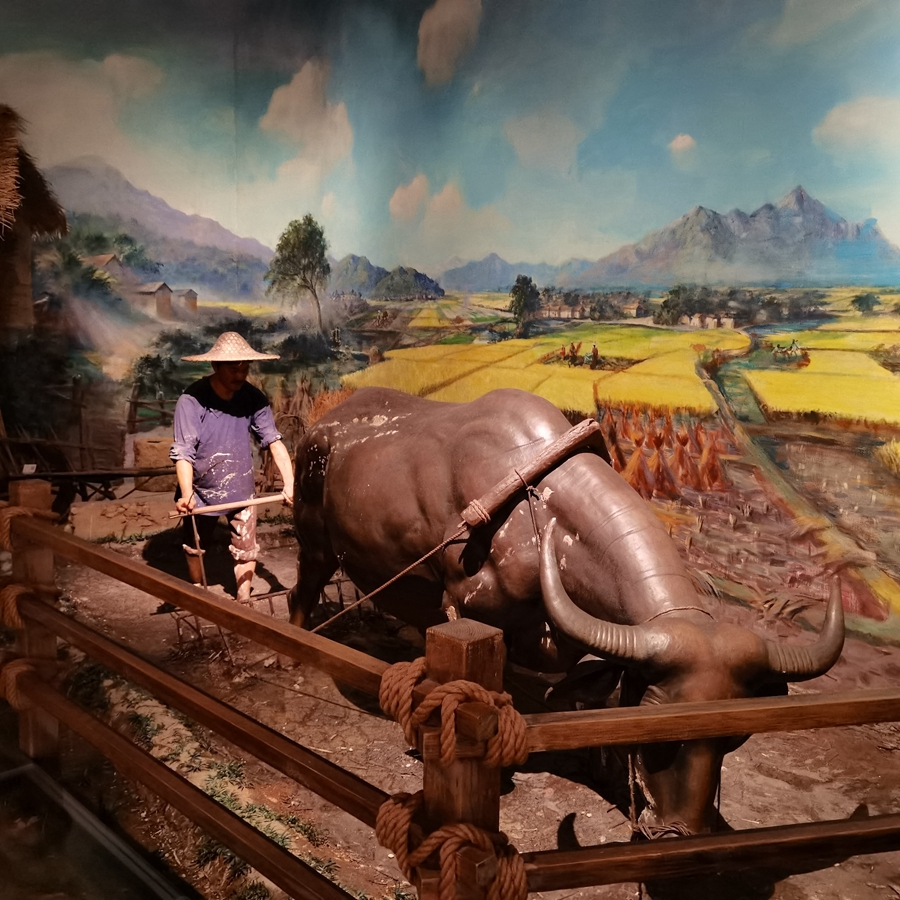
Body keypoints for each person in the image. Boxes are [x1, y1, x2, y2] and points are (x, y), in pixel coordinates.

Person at [169, 332, 294, 602]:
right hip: (201, 490)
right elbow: (183, 452)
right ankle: (198, 589)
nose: (240, 375)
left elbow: (274, 442)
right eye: (233, 369)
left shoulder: (253, 398)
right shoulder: (192, 400)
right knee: (195, 545)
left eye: (245, 368)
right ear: (215, 366)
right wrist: (187, 494)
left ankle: (243, 599)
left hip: (240, 487)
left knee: (246, 549)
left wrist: (290, 484)